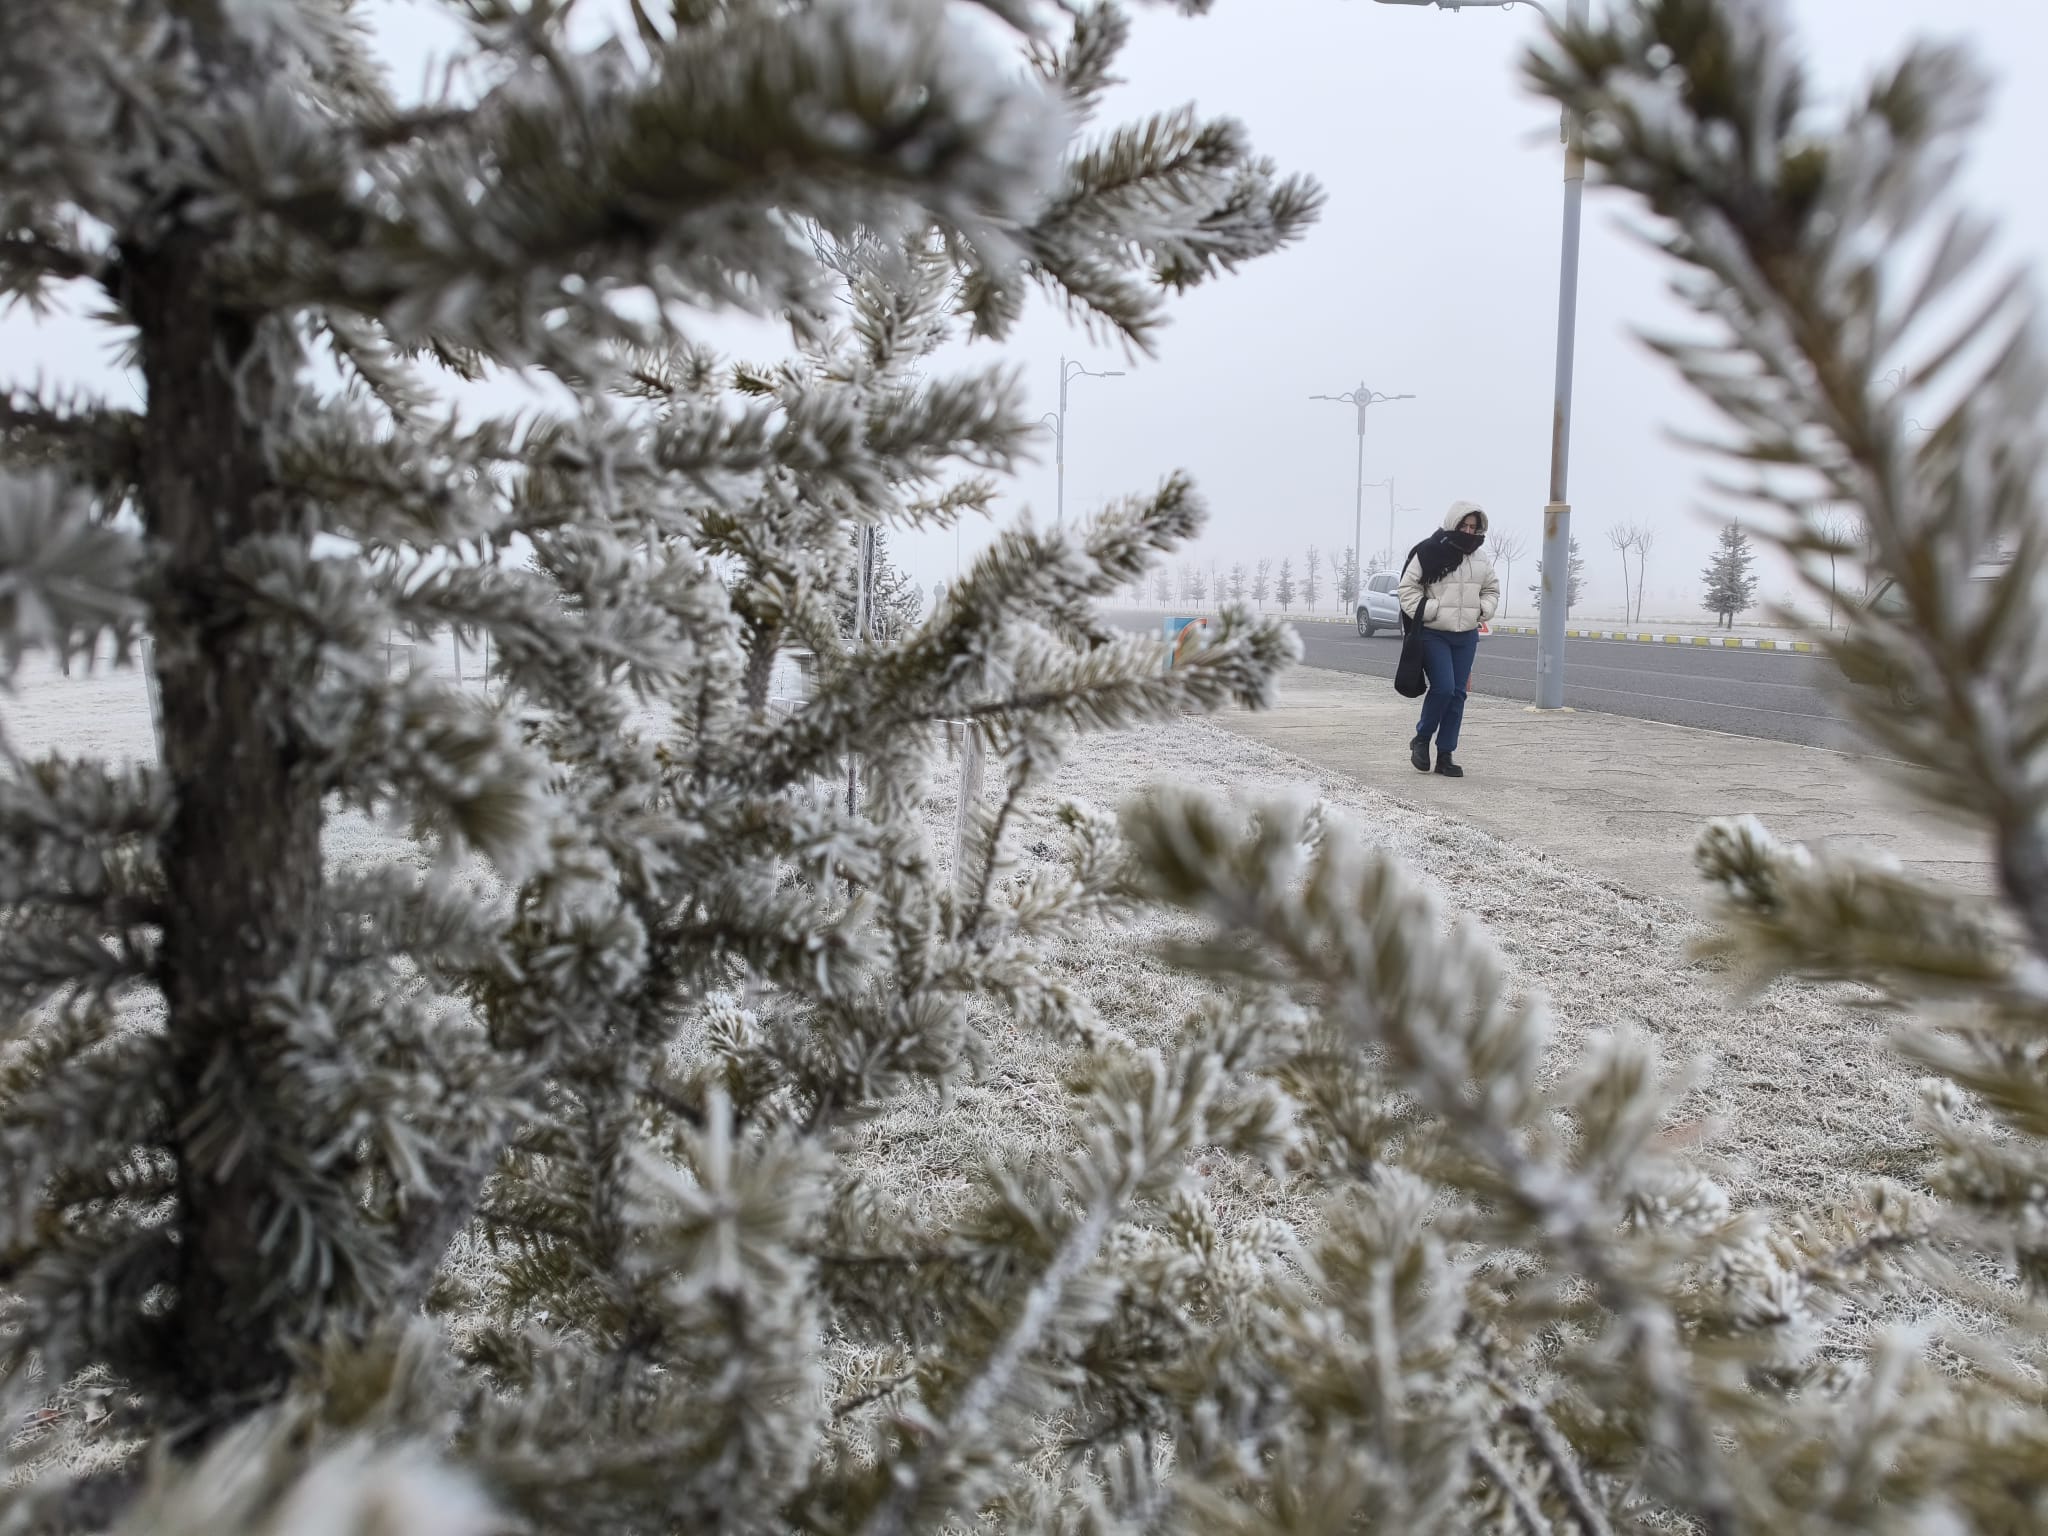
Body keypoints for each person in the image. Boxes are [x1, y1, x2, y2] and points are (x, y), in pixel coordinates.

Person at [1397, 501, 1499, 778]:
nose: (1468, 532)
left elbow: (1491, 589)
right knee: (1442, 688)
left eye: (1473, 527)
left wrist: (1483, 609)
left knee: (1457, 695)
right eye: (1463, 526)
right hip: (1434, 634)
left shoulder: (1480, 558)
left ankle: (1445, 755)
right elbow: (1407, 588)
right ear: (1452, 524)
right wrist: (1431, 611)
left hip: (1466, 636)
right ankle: (1421, 739)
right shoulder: (1428, 551)